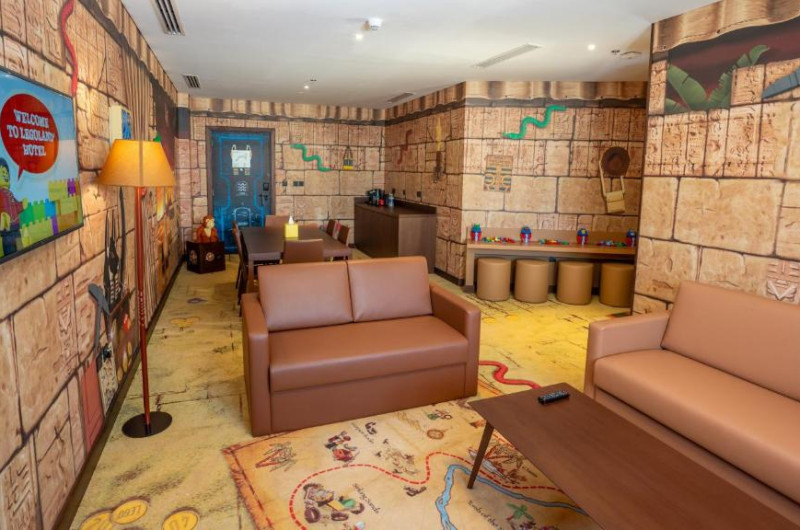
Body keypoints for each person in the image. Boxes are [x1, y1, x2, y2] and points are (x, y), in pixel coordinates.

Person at [0, 158, 26, 232]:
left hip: (16, 224)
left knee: (17, 237)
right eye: (3, 172)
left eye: (6, 172)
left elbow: (15, 204)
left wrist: (22, 205)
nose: (5, 175)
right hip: (6, 227)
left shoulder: (10, 193)